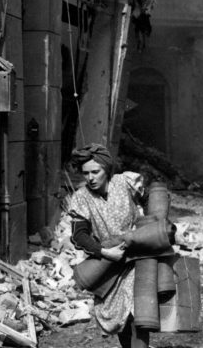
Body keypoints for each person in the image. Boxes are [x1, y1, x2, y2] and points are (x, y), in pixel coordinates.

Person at [64, 143, 149, 348]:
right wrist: (104, 252)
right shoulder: (82, 198)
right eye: (86, 173)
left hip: (137, 255)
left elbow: (150, 201)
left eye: (96, 172)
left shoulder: (125, 183)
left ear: (106, 170)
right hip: (110, 262)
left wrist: (149, 227)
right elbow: (79, 235)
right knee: (120, 317)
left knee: (138, 312)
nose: (91, 178)